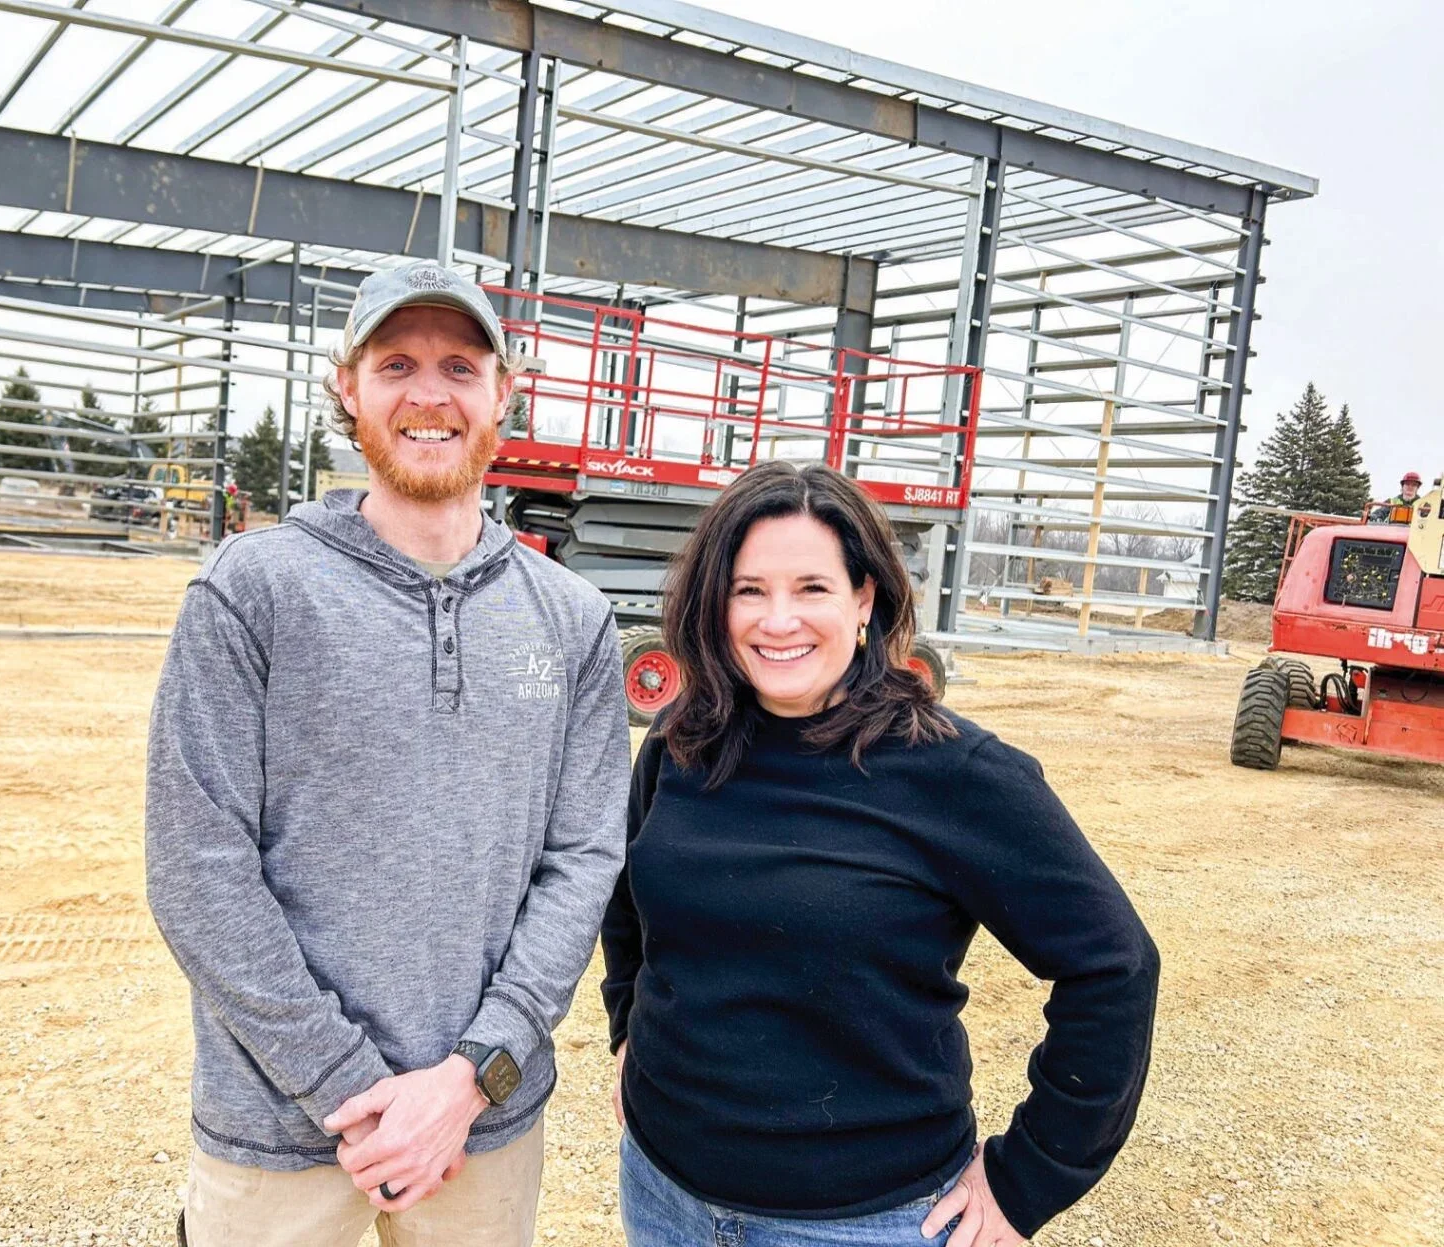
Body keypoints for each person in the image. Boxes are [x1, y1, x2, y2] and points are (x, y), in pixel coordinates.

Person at [145, 260, 630, 1247]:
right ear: (348, 389)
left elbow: (582, 861)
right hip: (282, 1127)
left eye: (460, 364)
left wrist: (467, 1077)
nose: (428, 392)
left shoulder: (571, 620)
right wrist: (352, 1089)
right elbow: (198, 869)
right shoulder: (256, 589)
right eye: (395, 361)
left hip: (480, 1125)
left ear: (505, 392)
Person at [601, 460, 1160, 1247]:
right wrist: (627, 1024)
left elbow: (1114, 965)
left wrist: (1030, 1175)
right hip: (666, 1195)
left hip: (865, 1221)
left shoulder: (951, 770)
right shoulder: (680, 740)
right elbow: (630, 899)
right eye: (748, 589)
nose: (777, 619)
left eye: (812, 588)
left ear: (863, 598)